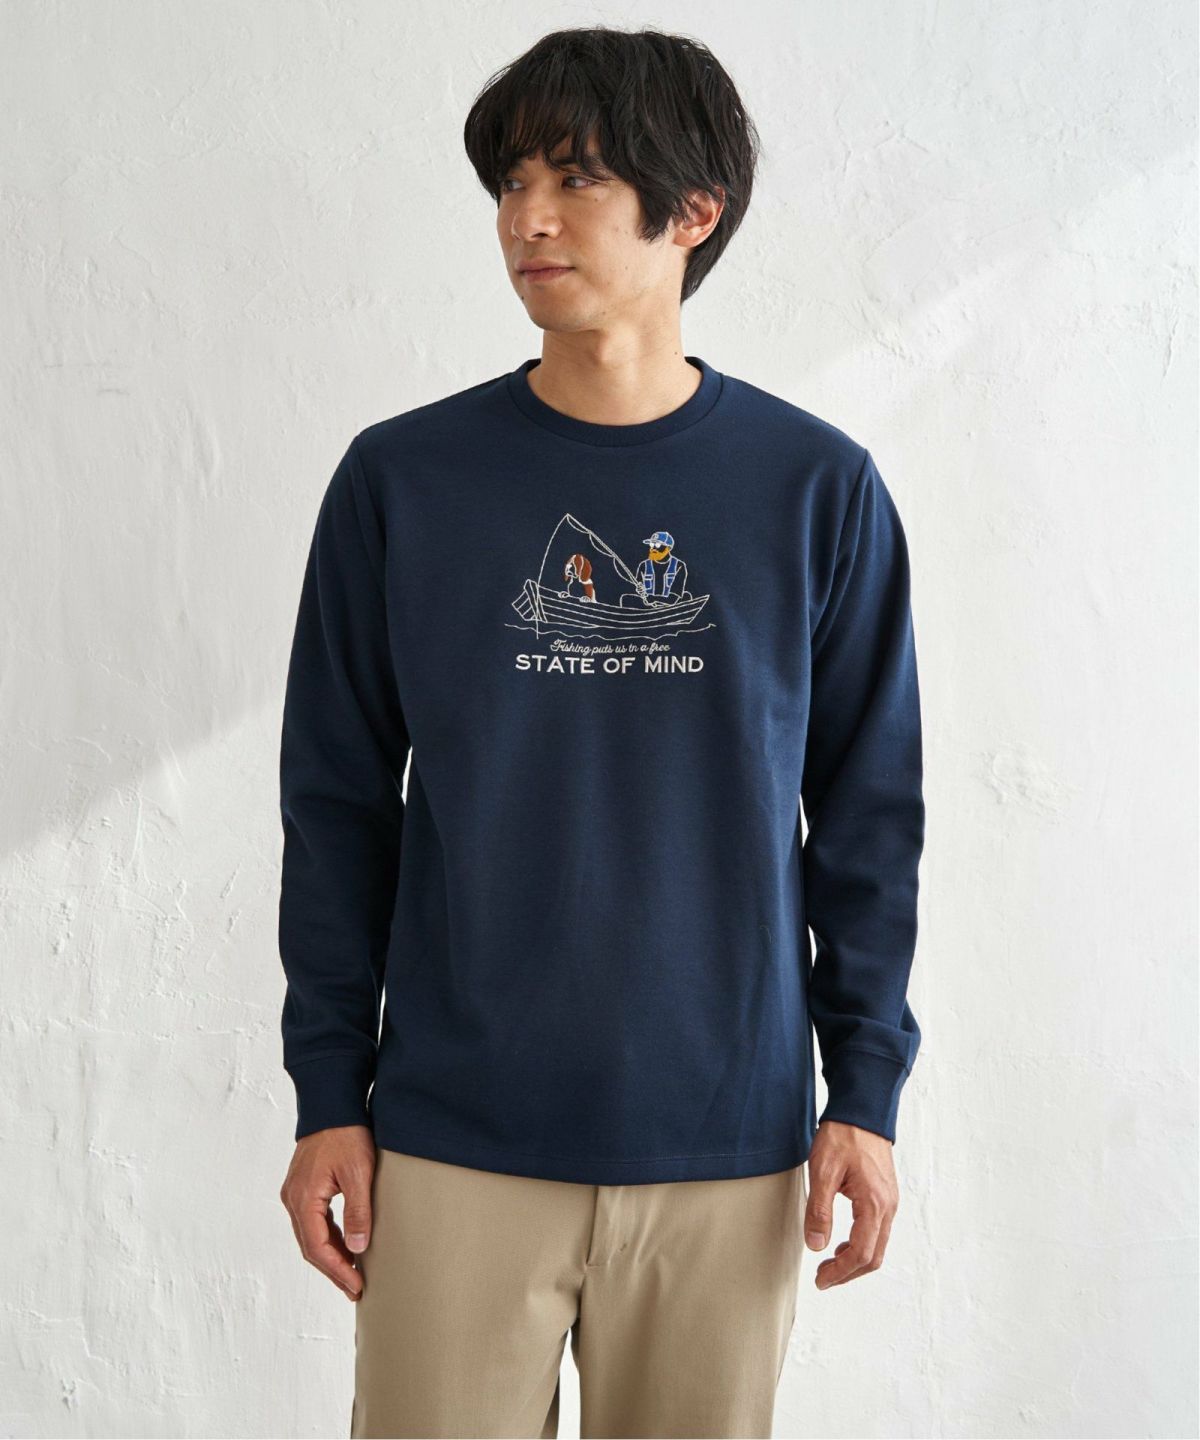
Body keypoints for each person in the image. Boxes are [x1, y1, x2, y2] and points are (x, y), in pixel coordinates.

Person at [276, 24, 925, 1440]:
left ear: (692, 212)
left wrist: (865, 1093)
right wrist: (329, 1095)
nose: (528, 218)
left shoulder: (817, 490)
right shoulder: (402, 484)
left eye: (574, 179)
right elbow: (335, 810)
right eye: (512, 183)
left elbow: (869, 822)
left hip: (725, 1146)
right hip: (452, 1136)